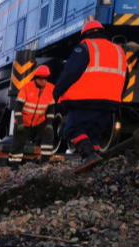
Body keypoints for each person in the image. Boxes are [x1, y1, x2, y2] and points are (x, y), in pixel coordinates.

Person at [54, 20, 127, 165]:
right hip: (109, 103)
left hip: (85, 101)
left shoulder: (85, 47)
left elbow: (70, 73)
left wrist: (56, 93)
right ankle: (93, 163)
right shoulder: (119, 50)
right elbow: (126, 78)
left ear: (85, 34)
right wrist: (117, 97)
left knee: (71, 129)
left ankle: (89, 156)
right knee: (92, 134)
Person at [10, 65, 56, 165]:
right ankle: (14, 166)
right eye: (40, 78)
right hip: (24, 122)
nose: (43, 80)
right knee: (18, 144)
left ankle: (45, 163)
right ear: (36, 77)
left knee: (48, 135)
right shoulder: (26, 87)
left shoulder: (51, 88)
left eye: (45, 78)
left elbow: (51, 109)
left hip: (39, 121)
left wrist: (49, 123)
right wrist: (20, 123)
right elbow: (17, 108)